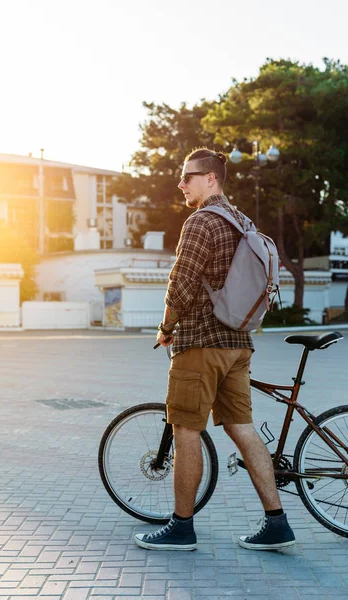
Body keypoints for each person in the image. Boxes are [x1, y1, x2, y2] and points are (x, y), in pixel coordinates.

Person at [134, 148, 295, 552]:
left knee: (187, 430)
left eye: (188, 176)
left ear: (211, 179)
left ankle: (181, 527)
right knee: (243, 429)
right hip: (239, 344)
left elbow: (181, 285)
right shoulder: (243, 221)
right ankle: (277, 523)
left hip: (202, 343)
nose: (181, 183)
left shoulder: (201, 221)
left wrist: (166, 328)